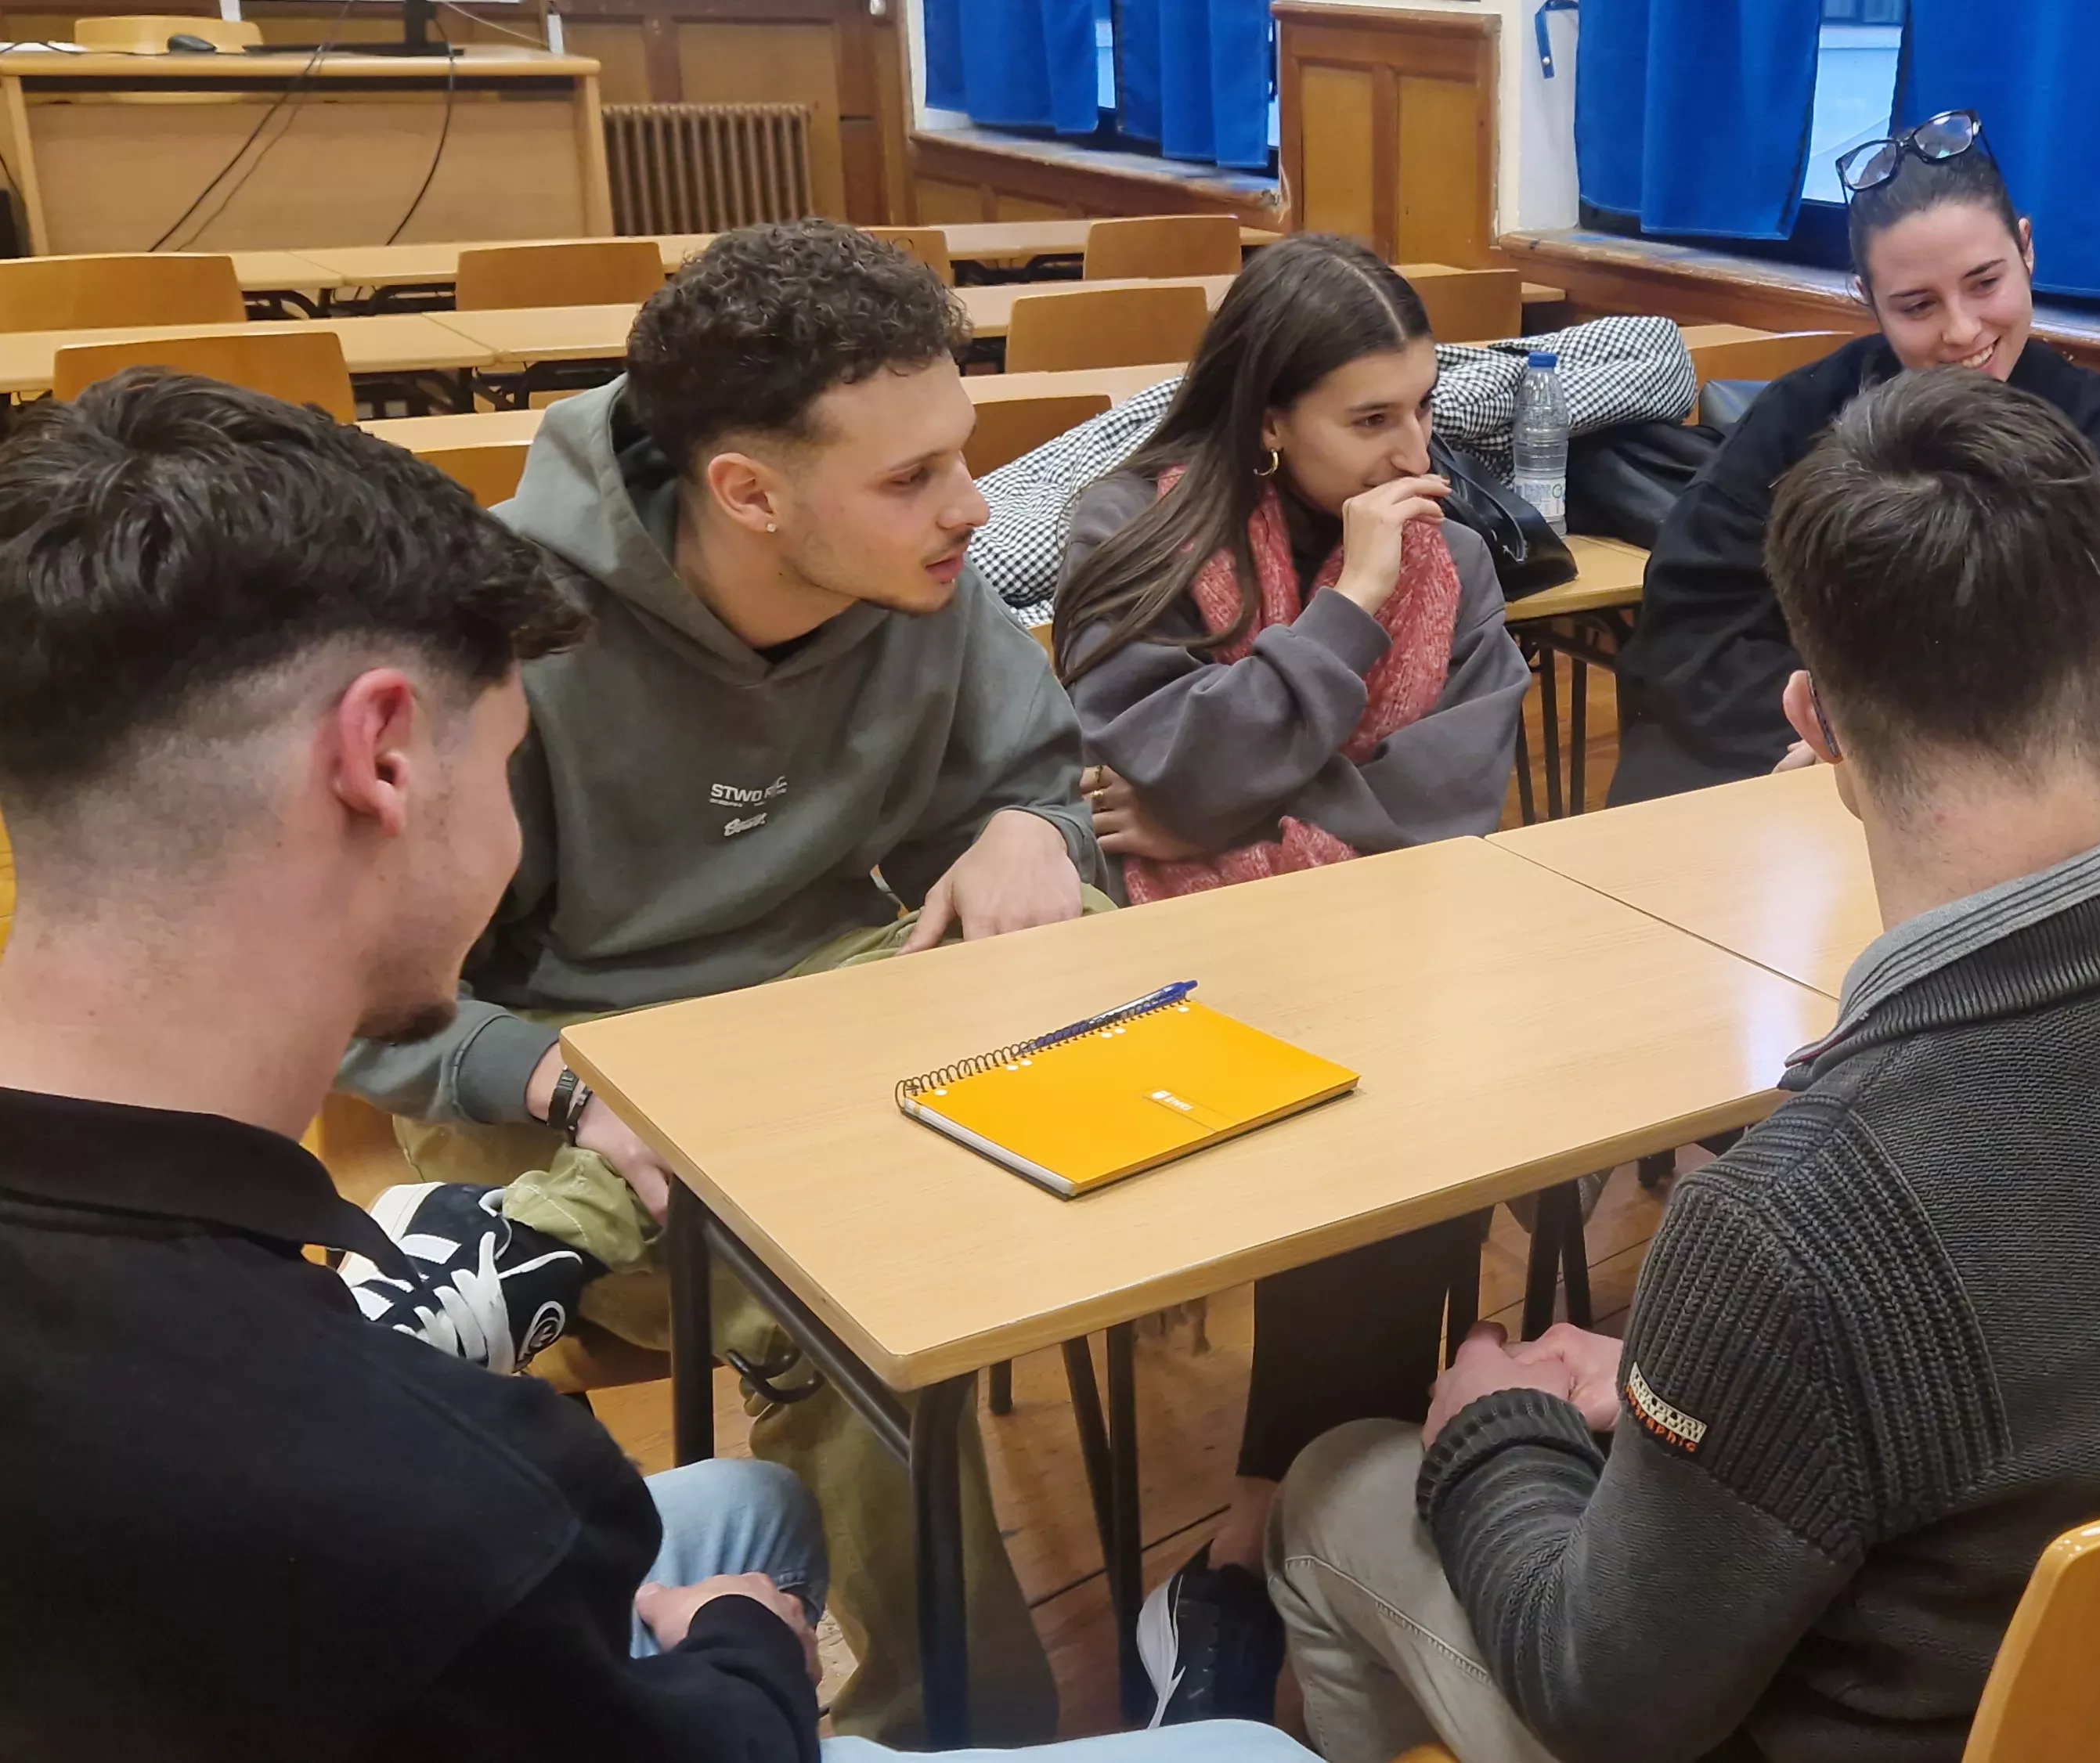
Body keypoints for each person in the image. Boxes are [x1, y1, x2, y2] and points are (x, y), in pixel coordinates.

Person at [0, 369, 1315, 1763]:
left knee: (755, 1510)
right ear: (382, 756)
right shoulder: (450, 1491)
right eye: (502, 758)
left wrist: (1029, 827)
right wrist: (746, 1644)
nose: (965, 507)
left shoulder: (271, 1376)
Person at [1266, 368, 2100, 1763]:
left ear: (1819, 730)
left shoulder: (1794, 1218)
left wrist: (1492, 1429)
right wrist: (1707, 1387)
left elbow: (1601, 1697)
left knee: (1336, 1487)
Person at [329, 219, 1095, 1743]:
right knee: (844, 1303)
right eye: (911, 477)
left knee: (1121, 982)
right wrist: (557, 1079)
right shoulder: (490, 631)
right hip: (561, 1071)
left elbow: (1038, 777)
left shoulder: (926, 576)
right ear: (745, 491)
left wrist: (1031, 824)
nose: (974, 506)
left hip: (829, 1016)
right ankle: (968, 1730)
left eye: (962, 451)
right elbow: (362, 1000)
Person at [1051, 232, 1530, 1725]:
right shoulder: (1125, 531)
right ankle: (1279, 1539)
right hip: (1156, 967)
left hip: (1379, 942)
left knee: (1409, 1125)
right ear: (1268, 416)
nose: (1416, 454)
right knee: (1349, 1112)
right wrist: (1346, 614)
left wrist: (1237, 798)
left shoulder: (1457, 557)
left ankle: (1262, 1537)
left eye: (1426, 412)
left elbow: (1457, 789)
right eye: (1370, 421)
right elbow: (1141, 766)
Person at [1608, 108, 2100, 802]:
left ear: (2026, 248)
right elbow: (1692, 626)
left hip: (2023, 768)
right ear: (1868, 299)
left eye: (1985, 283)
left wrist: (1953, 749)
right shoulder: (1800, 419)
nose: (1963, 330)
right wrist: (1841, 744)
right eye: (1917, 306)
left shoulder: (2099, 423)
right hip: (1801, 756)